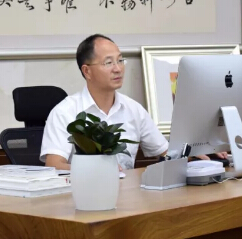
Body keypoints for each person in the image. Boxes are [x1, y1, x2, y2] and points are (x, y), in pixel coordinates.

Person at [40, 34, 169, 171]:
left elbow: (166, 153)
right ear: (87, 71)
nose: (118, 69)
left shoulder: (134, 109)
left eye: (120, 60)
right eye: (108, 63)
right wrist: (100, 170)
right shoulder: (65, 112)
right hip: (83, 185)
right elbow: (54, 165)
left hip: (127, 184)